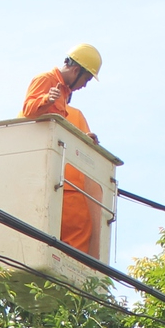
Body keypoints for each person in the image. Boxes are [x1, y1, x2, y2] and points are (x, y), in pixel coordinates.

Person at [20, 44, 106, 257]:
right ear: (76, 71)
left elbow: (60, 126)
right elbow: (27, 111)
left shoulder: (65, 95)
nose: (84, 86)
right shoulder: (46, 80)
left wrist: (82, 139)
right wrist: (45, 99)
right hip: (42, 167)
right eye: (86, 79)